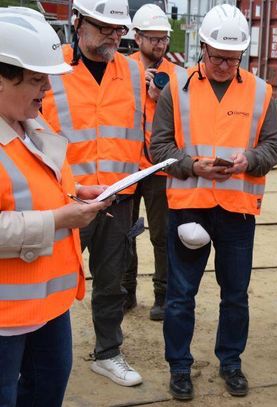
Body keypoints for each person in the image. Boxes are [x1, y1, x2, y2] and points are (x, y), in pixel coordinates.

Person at [150, 4, 277, 401]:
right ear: (202, 49)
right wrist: (193, 165)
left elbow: (273, 146)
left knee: (235, 294)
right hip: (189, 207)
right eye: (217, 57)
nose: (224, 65)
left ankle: (231, 362)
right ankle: (179, 367)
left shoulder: (260, 92)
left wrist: (249, 160)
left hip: (237, 211)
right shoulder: (176, 89)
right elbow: (158, 148)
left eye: (232, 58)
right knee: (180, 296)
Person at [0, 8, 111, 406]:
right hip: (6, 317)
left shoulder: (33, 124)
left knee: (46, 391)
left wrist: (77, 192)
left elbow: (35, 186)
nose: (47, 88)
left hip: (49, 306)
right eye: (36, 79)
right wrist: (59, 219)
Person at [41, 0, 146, 387]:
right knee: (49, 279)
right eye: (104, 28)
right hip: (64, 200)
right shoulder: (51, 67)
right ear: (78, 22)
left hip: (118, 197)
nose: (113, 37)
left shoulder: (133, 72)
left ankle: (108, 352)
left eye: (119, 30)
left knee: (111, 281)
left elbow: (143, 130)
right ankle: (35, 353)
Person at [122, 4, 175, 321]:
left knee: (162, 234)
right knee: (124, 233)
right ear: (137, 37)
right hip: (127, 166)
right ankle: (125, 292)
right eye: (153, 38)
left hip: (159, 167)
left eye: (163, 39)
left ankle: (163, 296)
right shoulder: (122, 69)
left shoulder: (176, 75)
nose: (159, 44)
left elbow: (185, 117)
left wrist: (160, 97)